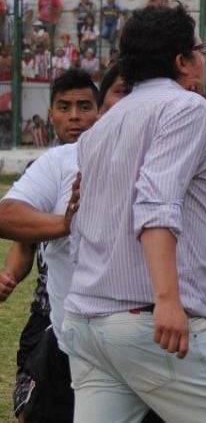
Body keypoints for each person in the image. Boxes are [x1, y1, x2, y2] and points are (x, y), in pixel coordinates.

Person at [59, 3, 206, 423]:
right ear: (182, 60)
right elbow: (154, 202)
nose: (204, 57)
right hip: (149, 319)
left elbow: (105, 215)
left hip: (88, 322)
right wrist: (168, 301)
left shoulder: (104, 126)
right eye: (199, 49)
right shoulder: (186, 107)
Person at [0, 68, 98, 423]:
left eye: (84, 106)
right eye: (64, 107)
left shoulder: (113, 161)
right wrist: (9, 275)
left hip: (96, 315)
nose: (75, 116)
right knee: (31, 412)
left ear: (100, 111)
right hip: (46, 312)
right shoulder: (41, 167)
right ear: (52, 113)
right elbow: (24, 241)